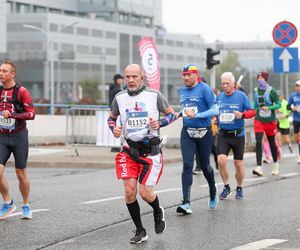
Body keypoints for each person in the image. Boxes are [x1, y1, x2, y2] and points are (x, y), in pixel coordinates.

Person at [107, 64, 177, 244]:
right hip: (129, 151)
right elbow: (111, 118)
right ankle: (140, 230)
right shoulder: (119, 97)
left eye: (134, 77)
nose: (130, 80)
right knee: (130, 191)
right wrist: (113, 128)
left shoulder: (154, 96)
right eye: (127, 77)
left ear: (142, 77)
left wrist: (160, 123)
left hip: (150, 152)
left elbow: (172, 114)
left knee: (145, 193)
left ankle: (157, 210)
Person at [176, 64, 219, 214]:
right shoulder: (181, 90)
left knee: (206, 167)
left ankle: (213, 190)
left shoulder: (204, 88)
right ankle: (186, 202)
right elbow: (186, 108)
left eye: (189, 75)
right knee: (187, 165)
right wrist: (179, 113)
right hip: (187, 132)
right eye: (184, 75)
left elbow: (216, 109)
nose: (186, 78)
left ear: (196, 75)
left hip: (204, 133)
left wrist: (198, 115)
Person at [0, 60, 35, 220]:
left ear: (12, 74)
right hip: (2, 136)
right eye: (0, 71)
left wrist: (13, 115)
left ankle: (26, 204)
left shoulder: (21, 91)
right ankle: (8, 202)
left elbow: (31, 114)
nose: (1, 73)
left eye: (4, 71)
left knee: (20, 173)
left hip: (19, 136)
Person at [216, 72, 255, 199]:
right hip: (223, 135)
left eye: (227, 83)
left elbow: (252, 111)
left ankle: (239, 187)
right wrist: (215, 118)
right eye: (223, 83)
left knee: (238, 163)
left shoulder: (241, 96)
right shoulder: (219, 97)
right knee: (221, 160)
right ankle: (226, 187)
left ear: (233, 84)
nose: (225, 86)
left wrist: (242, 115)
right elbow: (216, 112)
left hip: (238, 135)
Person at [252, 72, 281, 176]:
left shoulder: (271, 91)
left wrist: (269, 108)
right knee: (258, 142)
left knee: (272, 142)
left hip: (270, 120)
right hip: (259, 119)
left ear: (266, 79)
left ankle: (276, 164)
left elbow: (279, 105)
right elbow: (255, 104)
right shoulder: (255, 90)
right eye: (258, 77)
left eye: (262, 77)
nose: (260, 79)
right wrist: (252, 112)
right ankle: (259, 167)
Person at [108, 74, 124, 152]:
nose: (122, 80)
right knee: (117, 129)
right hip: (117, 111)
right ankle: (116, 146)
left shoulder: (112, 88)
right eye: (121, 79)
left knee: (114, 128)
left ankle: (114, 146)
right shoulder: (117, 90)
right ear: (117, 80)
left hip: (112, 110)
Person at [275, 91, 292, 156]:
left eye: (279, 96)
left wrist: (286, 116)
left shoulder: (286, 103)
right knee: (278, 138)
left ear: (282, 96)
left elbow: (289, 111)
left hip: (285, 123)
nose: (278, 98)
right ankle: (280, 150)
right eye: (277, 97)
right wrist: (276, 111)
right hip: (278, 123)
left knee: (286, 139)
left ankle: (289, 144)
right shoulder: (275, 103)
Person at [287, 80, 300, 163]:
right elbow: (287, 106)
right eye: (296, 86)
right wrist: (292, 108)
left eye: (298, 86)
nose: (297, 88)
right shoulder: (293, 95)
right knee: (297, 138)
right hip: (296, 119)